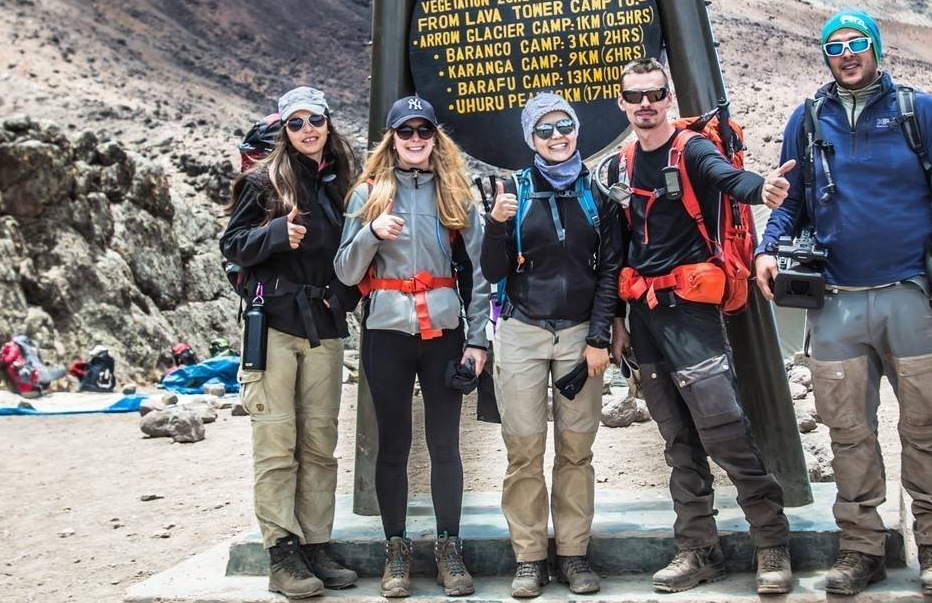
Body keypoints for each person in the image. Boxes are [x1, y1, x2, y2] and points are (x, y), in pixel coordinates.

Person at [756, 10, 932, 597]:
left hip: (910, 295)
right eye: (835, 46)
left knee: (928, 426)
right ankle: (861, 548)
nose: (847, 53)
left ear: (876, 48)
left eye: (857, 43)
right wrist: (767, 248)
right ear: (825, 55)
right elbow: (789, 202)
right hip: (836, 304)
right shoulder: (807, 120)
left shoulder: (917, 112)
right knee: (847, 431)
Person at [605, 57, 796, 595]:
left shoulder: (691, 150)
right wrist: (618, 323)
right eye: (635, 95)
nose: (645, 104)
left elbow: (726, 179)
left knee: (724, 430)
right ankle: (697, 550)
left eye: (655, 94)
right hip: (644, 317)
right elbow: (619, 248)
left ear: (668, 99)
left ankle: (771, 544)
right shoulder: (620, 166)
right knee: (677, 438)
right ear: (622, 103)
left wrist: (763, 190)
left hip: (692, 311)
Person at [334, 95, 492, 599]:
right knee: (393, 445)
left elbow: (483, 273)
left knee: (446, 445)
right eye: (407, 132)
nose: (416, 140)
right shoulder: (367, 195)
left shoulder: (456, 193)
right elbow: (345, 270)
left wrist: (478, 341)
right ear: (393, 138)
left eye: (424, 131)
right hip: (386, 334)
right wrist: (371, 234)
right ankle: (396, 550)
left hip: (444, 333)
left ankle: (449, 548)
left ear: (434, 137)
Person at [221, 85, 362, 599]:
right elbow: (232, 245)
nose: (307, 130)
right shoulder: (262, 182)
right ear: (285, 129)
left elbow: (355, 251)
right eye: (296, 122)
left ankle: (317, 544)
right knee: (277, 442)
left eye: (315, 120)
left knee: (320, 445)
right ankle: (282, 551)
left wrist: (342, 298)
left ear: (328, 122)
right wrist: (276, 233)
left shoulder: (342, 182)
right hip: (275, 324)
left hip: (323, 327)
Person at [479, 93, 622, 598]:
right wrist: (496, 225)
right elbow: (492, 272)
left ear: (577, 130)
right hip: (521, 332)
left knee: (576, 449)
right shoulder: (512, 194)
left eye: (565, 125)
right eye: (544, 130)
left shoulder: (599, 197)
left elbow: (610, 273)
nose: (557, 136)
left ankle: (574, 554)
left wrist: (601, 337)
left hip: (580, 336)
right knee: (523, 449)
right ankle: (529, 556)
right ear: (529, 139)